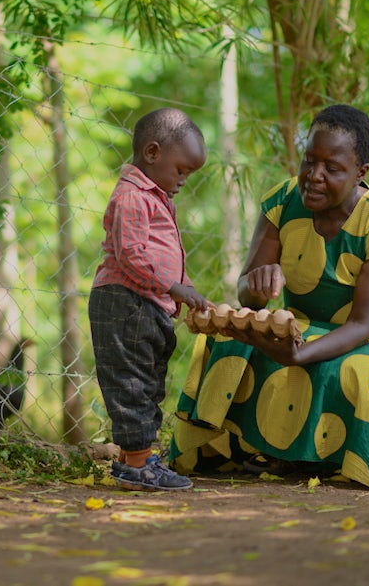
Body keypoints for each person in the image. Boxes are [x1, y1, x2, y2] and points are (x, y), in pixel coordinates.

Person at [168, 104, 369, 490]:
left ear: (360, 173)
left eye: (332, 169)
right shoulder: (283, 201)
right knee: (227, 339)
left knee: (360, 371)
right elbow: (247, 296)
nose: (314, 177)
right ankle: (248, 452)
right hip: (305, 330)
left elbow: (362, 325)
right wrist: (255, 284)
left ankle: (350, 460)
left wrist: (298, 353)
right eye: (309, 161)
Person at [89, 107, 214, 492]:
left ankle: (133, 459)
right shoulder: (132, 197)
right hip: (125, 301)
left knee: (148, 380)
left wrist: (185, 286)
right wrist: (174, 288)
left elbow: (168, 252)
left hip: (148, 303)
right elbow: (130, 253)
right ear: (152, 152)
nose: (182, 181)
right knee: (131, 381)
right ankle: (140, 464)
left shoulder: (158, 199)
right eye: (181, 171)